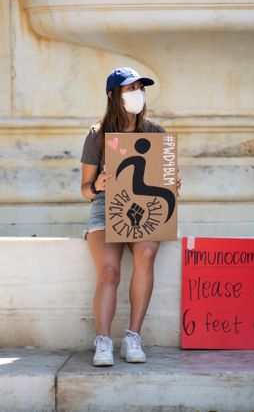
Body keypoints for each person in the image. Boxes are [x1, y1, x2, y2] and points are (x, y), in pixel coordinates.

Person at [80, 67, 181, 366]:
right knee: (109, 272)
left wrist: (173, 183)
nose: (137, 93)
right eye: (129, 88)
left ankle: (133, 337)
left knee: (147, 253)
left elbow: (166, 181)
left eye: (140, 87)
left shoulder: (155, 133)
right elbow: (85, 189)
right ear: (112, 95)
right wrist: (96, 185)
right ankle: (103, 341)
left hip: (146, 208)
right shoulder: (98, 135)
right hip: (105, 208)